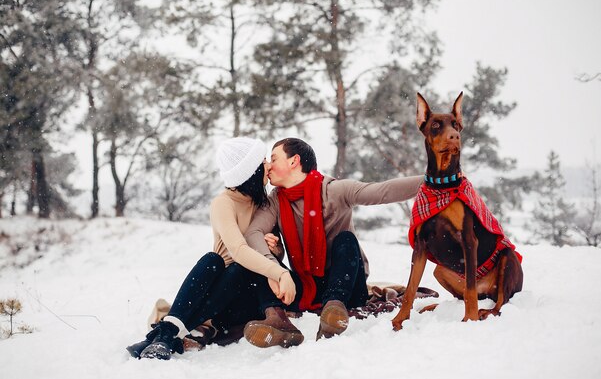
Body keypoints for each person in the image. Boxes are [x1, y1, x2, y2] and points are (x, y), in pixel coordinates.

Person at [126, 137, 298, 360]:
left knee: (241, 268)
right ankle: (166, 335)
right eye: (263, 160)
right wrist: (280, 273)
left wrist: (275, 252)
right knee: (213, 260)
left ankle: (164, 334)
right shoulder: (223, 203)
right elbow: (237, 250)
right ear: (251, 171)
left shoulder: (264, 203)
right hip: (220, 299)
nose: (268, 165)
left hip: (251, 296)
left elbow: (274, 253)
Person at [242, 138, 424, 348]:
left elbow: (382, 191)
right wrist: (273, 267)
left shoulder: (334, 190)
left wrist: (431, 180)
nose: (268, 165)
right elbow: (253, 233)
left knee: (346, 240)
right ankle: (278, 321)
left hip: (347, 286)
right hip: (305, 285)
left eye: (273, 158)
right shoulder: (275, 200)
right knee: (255, 262)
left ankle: (334, 311)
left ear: (294, 161)